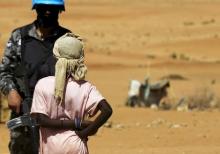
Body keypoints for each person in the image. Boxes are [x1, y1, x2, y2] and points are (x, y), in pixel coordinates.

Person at [0, 0, 71, 153]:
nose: (47, 12)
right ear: (36, 9)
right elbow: (5, 71)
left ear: (59, 11)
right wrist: (11, 92)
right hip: (25, 109)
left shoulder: (68, 40)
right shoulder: (19, 36)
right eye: (43, 8)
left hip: (57, 112)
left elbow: (76, 76)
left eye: (52, 9)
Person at [30, 33, 113, 154]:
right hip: (76, 145)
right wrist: (85, 131)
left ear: (56, 57)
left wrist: (79, 124)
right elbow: (107, 110)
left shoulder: (43, 84)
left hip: (51, 147)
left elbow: (41, 120)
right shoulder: (86, 87)